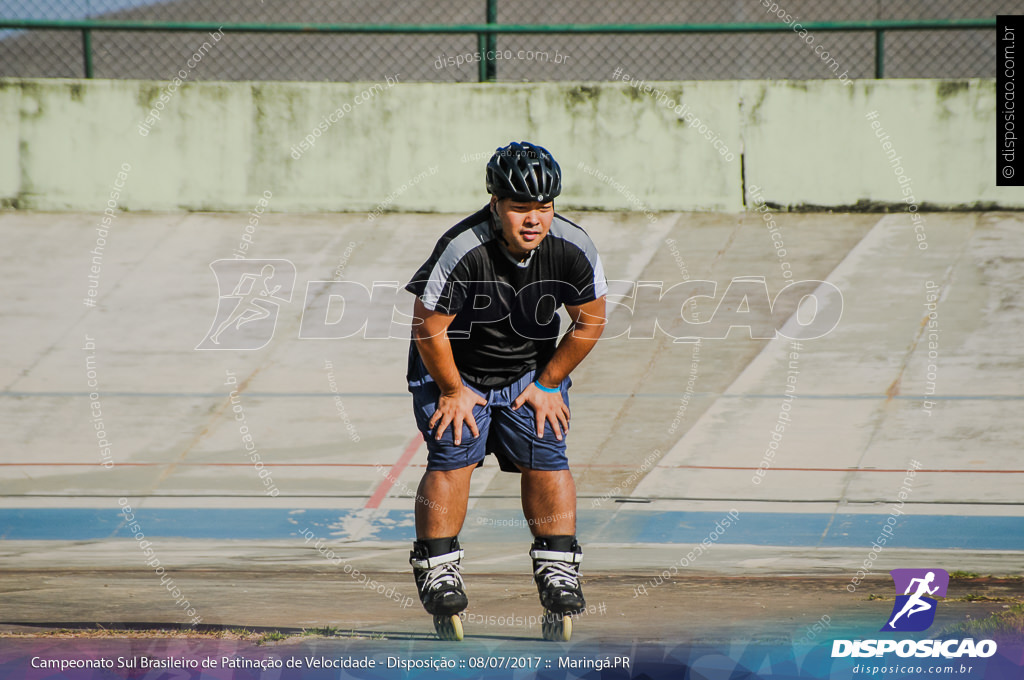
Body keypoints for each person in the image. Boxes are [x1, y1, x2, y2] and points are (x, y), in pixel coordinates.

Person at [404, 141, 607, 639]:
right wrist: (452, 391)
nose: (534, 219)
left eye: (544, 207)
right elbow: (428, 329)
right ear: (495, 205)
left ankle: (558, 569)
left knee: (548, 454)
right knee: (453, 454)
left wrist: (548, 383)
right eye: (521, 208)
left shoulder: (573, 247)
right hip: (453, 370)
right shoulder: (463, 248)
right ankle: (438, 571)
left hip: (527, 373)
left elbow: (590, 321)